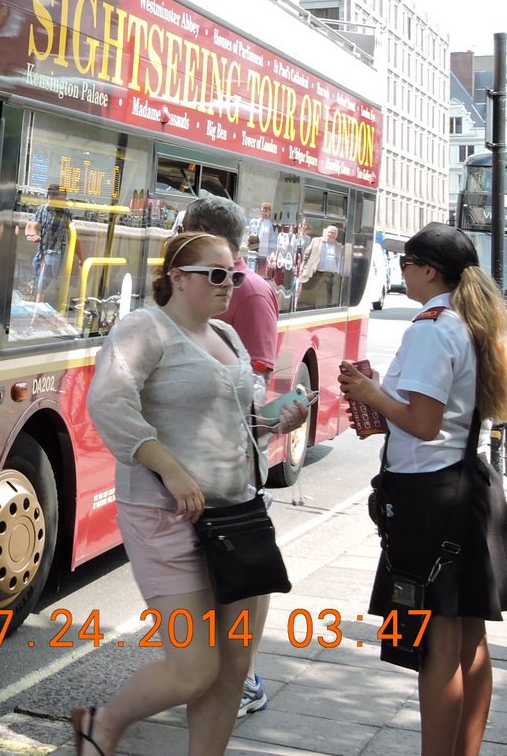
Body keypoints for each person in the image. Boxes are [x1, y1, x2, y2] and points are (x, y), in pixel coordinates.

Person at [79, 231, 308, 756]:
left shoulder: (227, 337)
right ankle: (101, 725)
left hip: (238, 519)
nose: (228, 285)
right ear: (178, 278)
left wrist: (281, 418)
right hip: (164, 517)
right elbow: (110, 405)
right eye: (215, 275)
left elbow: (244, 423)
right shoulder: (143, 329)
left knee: (233, 665)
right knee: (192, 669)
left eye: (234, 275)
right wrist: (170, 468)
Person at [338, 223, 507, 756]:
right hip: (464, 489)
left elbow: (426, 421)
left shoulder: (432, 327)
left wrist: (369, 392)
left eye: (407, 263)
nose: (403, 272)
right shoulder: (467, 321)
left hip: (432, 500)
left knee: (434, 646)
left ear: (429, 270)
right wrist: (382, 413)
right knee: (469, 642)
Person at [180, 196, 282, 717]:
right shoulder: (201, 283)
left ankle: (245, 679)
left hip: (234, 457)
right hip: (199, 450)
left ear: (202, 231)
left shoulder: (252, 291)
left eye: (185, 228)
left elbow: (260, 374)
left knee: (238, 572)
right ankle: (215, 675)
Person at [28, 186, 73, 305]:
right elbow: (33, 226)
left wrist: (81, 258)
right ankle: (38, 309)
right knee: (39, 281)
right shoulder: (43, 209)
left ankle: (36, 315)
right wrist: (33, 235)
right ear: (50, 198)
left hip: (54, 253)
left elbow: (72, 236)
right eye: (60, 200)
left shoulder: (66, 213)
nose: (63, 203)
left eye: (64, 200)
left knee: (42, 284)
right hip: (42, 251)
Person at [245, 200, 279, 274]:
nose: (264, 213)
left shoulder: (271, 224)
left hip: (265, 253)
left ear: (270, 212)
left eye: (266, 211)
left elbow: (273, 240)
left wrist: (273, 253)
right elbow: (250, 235)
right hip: (255, 251)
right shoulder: (255, 222)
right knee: (252, 270)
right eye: (262, 211)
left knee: (262, 272)